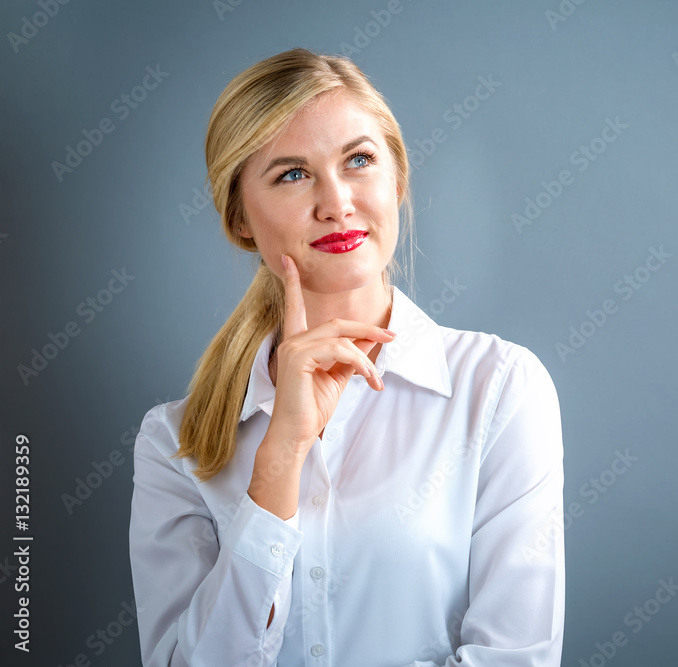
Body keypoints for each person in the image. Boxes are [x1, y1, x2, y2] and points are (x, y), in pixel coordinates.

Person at [128, 47, 565, 666]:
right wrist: (277, 463)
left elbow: (516, 658)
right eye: (291, 174)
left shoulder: (498, 389)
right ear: (240, 219)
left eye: (358, 160)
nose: (336, 202)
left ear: (397, 180)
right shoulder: (174, 443)